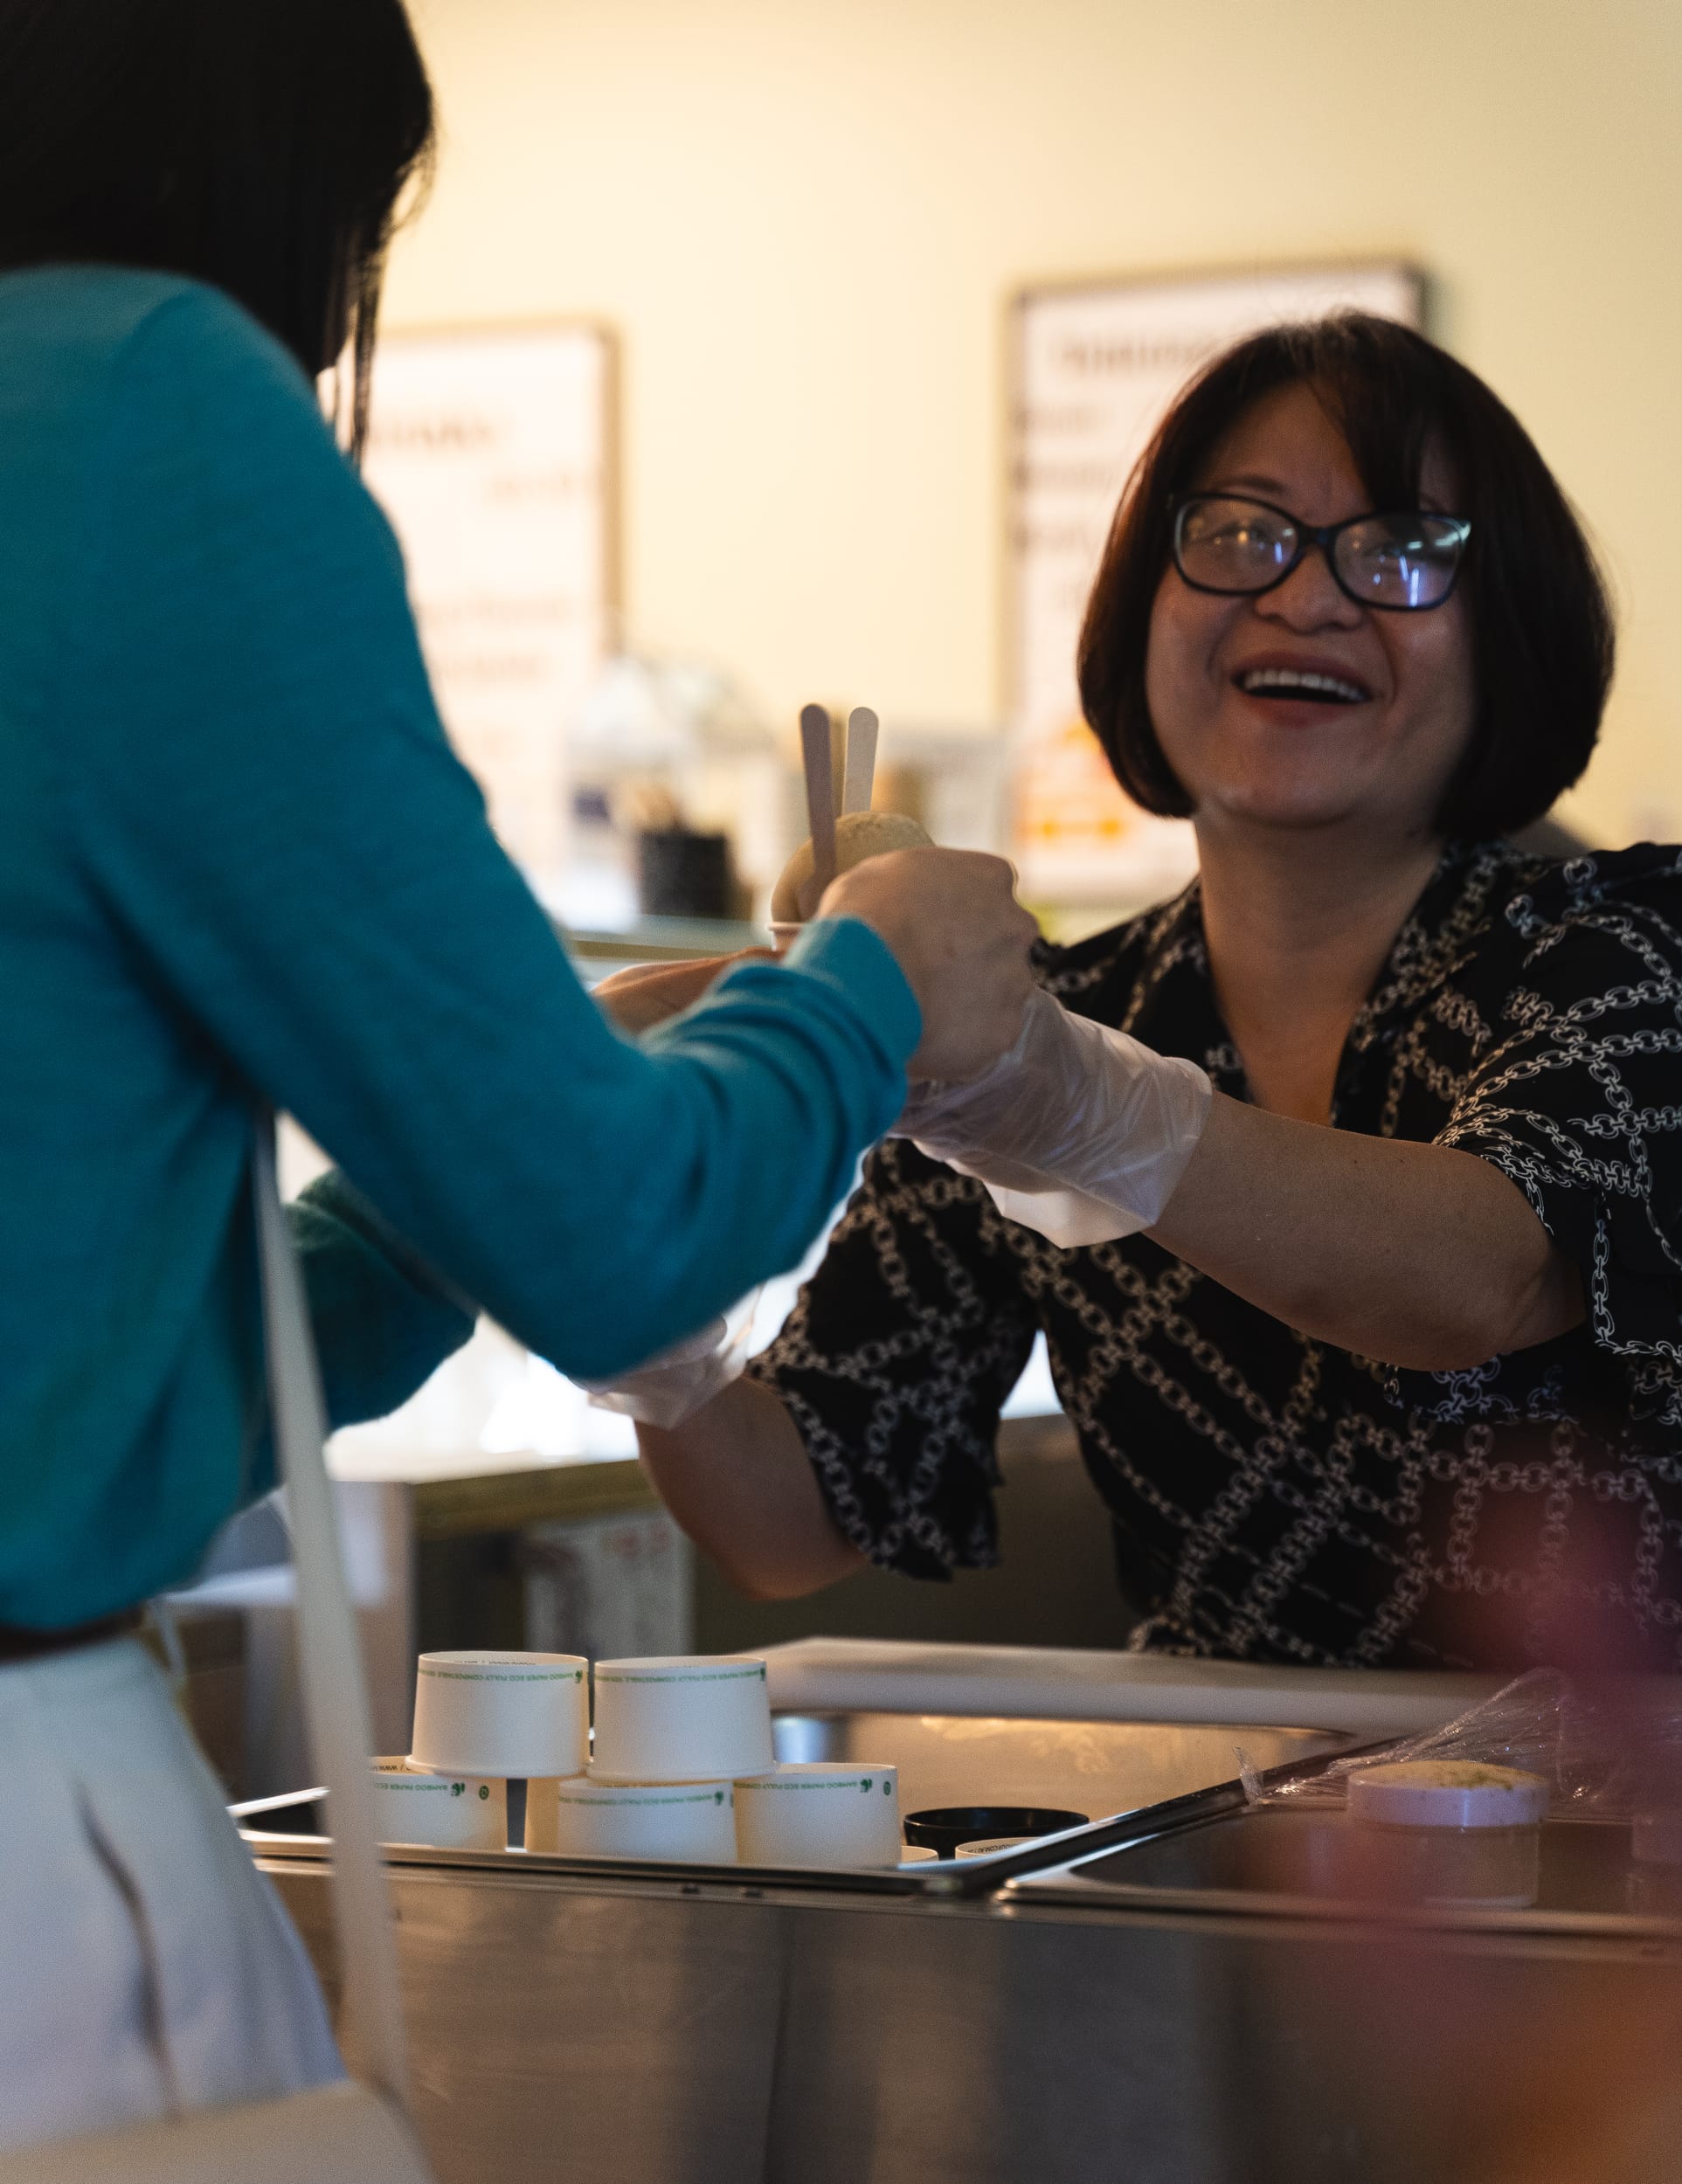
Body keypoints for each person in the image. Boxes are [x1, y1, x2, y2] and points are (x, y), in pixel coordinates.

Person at [0, 0, 1037, 2153]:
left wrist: (444, 1181)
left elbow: (86, 1382)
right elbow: (617, 1229)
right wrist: (868, 985)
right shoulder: (135, 410)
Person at [639, 313, 1682, 1677]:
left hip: (1644, 1832)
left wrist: (1070, 1100)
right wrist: (649, 1290)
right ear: (1141, 605)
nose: (1305, 597)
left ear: (1506, 633)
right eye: (1239, 533)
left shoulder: (1623, 939)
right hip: (1249, 1836)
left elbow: (1484, 1274)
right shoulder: (1055, 1015)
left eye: (1401, 548)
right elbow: (792, 1517)